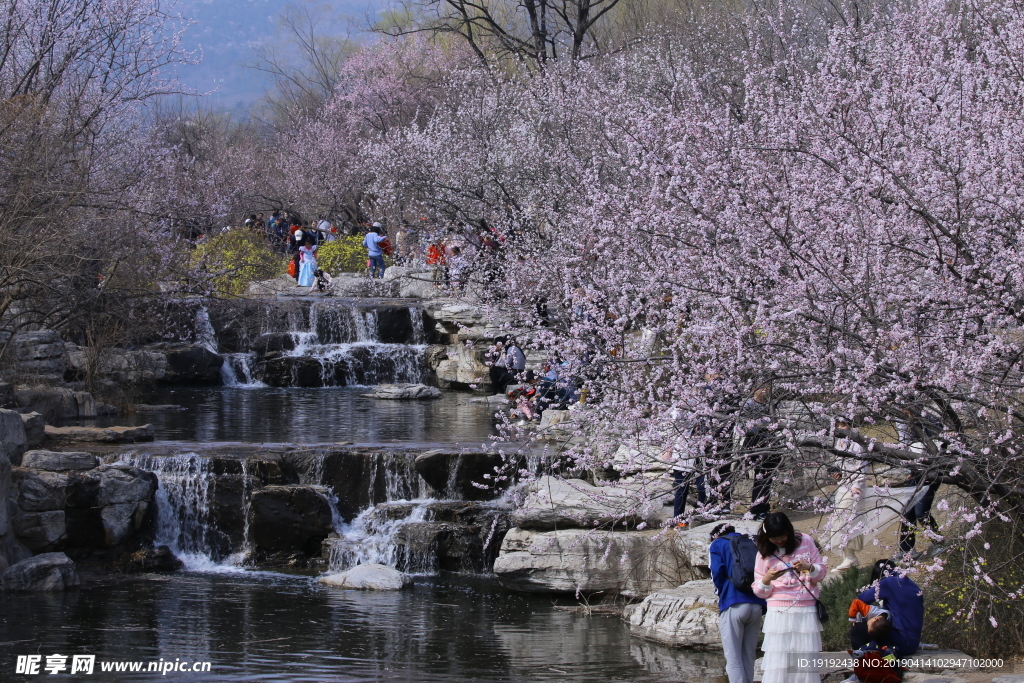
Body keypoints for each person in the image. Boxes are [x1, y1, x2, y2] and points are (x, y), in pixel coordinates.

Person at [752, 512, 826, 683]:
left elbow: (821, 574)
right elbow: (759, 591)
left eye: (782, 536)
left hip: (805, 609)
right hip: (778, 611)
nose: (779, 541)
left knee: (805, 660)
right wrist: (767, 579)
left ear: (789, 531)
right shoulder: (763, 553)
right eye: (774, 538)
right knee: (778, 662)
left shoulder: (806, 541)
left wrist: (809, 567)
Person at [709, 524, 767, 683]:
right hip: (756, 604)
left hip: (733, 603)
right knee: (748, 655)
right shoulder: (749, 541)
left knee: (733, 659)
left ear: (715, 535)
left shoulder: (717, 543)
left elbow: (716, 574)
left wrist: (721, 594)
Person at [849, 559, 924, 657]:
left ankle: (861, 660)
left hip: (900, 642)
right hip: (913, 643)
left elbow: (860, 600)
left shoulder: (888, 582)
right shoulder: (909, 583)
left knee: (859, 627)